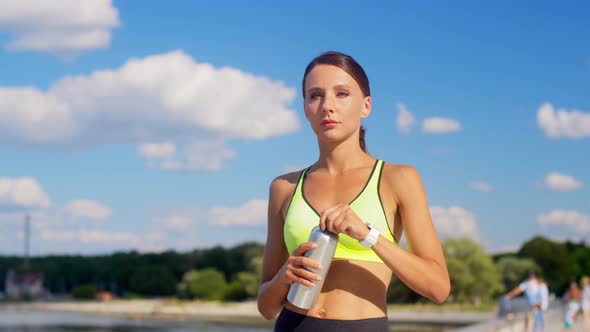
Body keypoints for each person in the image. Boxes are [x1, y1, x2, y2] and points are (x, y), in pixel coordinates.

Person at [256, 51, 450, 332]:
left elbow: (438, 288)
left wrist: (368, 235)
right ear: (305, 108)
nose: (327, 106)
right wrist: (284, 277)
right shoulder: (284, 187)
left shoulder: (398, 179)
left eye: (342, 93)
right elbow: (266, 307)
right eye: (315, 95)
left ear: (366, 106)